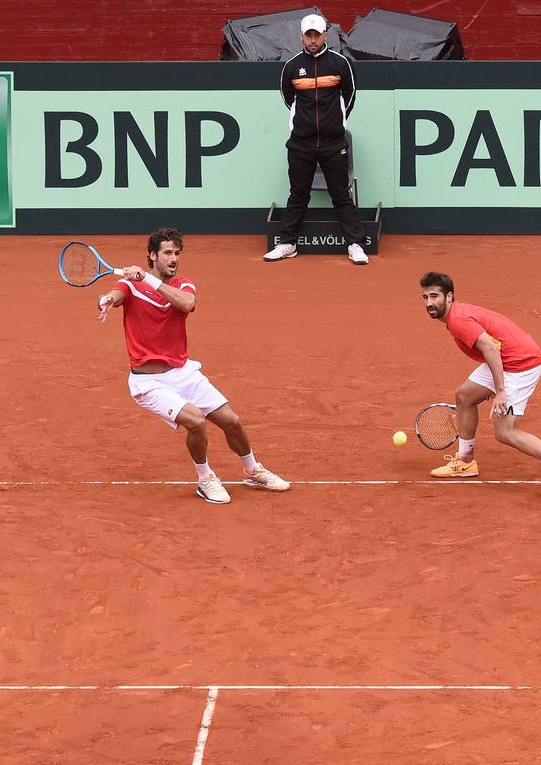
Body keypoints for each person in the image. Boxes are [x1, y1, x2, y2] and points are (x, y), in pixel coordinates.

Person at [98, 227, 291, 504]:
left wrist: (149, 280)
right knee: (196, 422)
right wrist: (105, 300)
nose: (173, 258)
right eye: (167, 253)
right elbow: (112, 296)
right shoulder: (129, 286)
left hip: (183, 373)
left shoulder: (183, 285)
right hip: (149, 383)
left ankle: (252, 471)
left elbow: (187, 304)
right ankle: (205, 479)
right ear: (152, 255)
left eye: (177, 253)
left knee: (232, 422)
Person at [419, 272, 541, 498]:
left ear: (449, 297)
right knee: (465, 395)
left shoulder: (458, 320)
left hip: (520, 363)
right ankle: (466, 461)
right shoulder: (456, 316)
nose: (429, 303)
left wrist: (500, 391)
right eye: (426, 297)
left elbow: (490, 348)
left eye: (435, 296)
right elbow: (492, 348)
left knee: (505, 431)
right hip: (507, 357)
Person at [263, 14, 368, 266]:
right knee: (298, 194)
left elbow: (349, 97)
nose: (312, 40)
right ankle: (288, 243)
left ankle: (354, 244)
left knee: (340, 194)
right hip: (301, 143)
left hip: (334, 143)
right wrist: (305, 124)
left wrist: (335, 123)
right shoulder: (291, 67)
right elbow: (289, 100)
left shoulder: (341, 63)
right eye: (308, 35)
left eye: (316, 35)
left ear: (325, 36)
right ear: (301, 36)